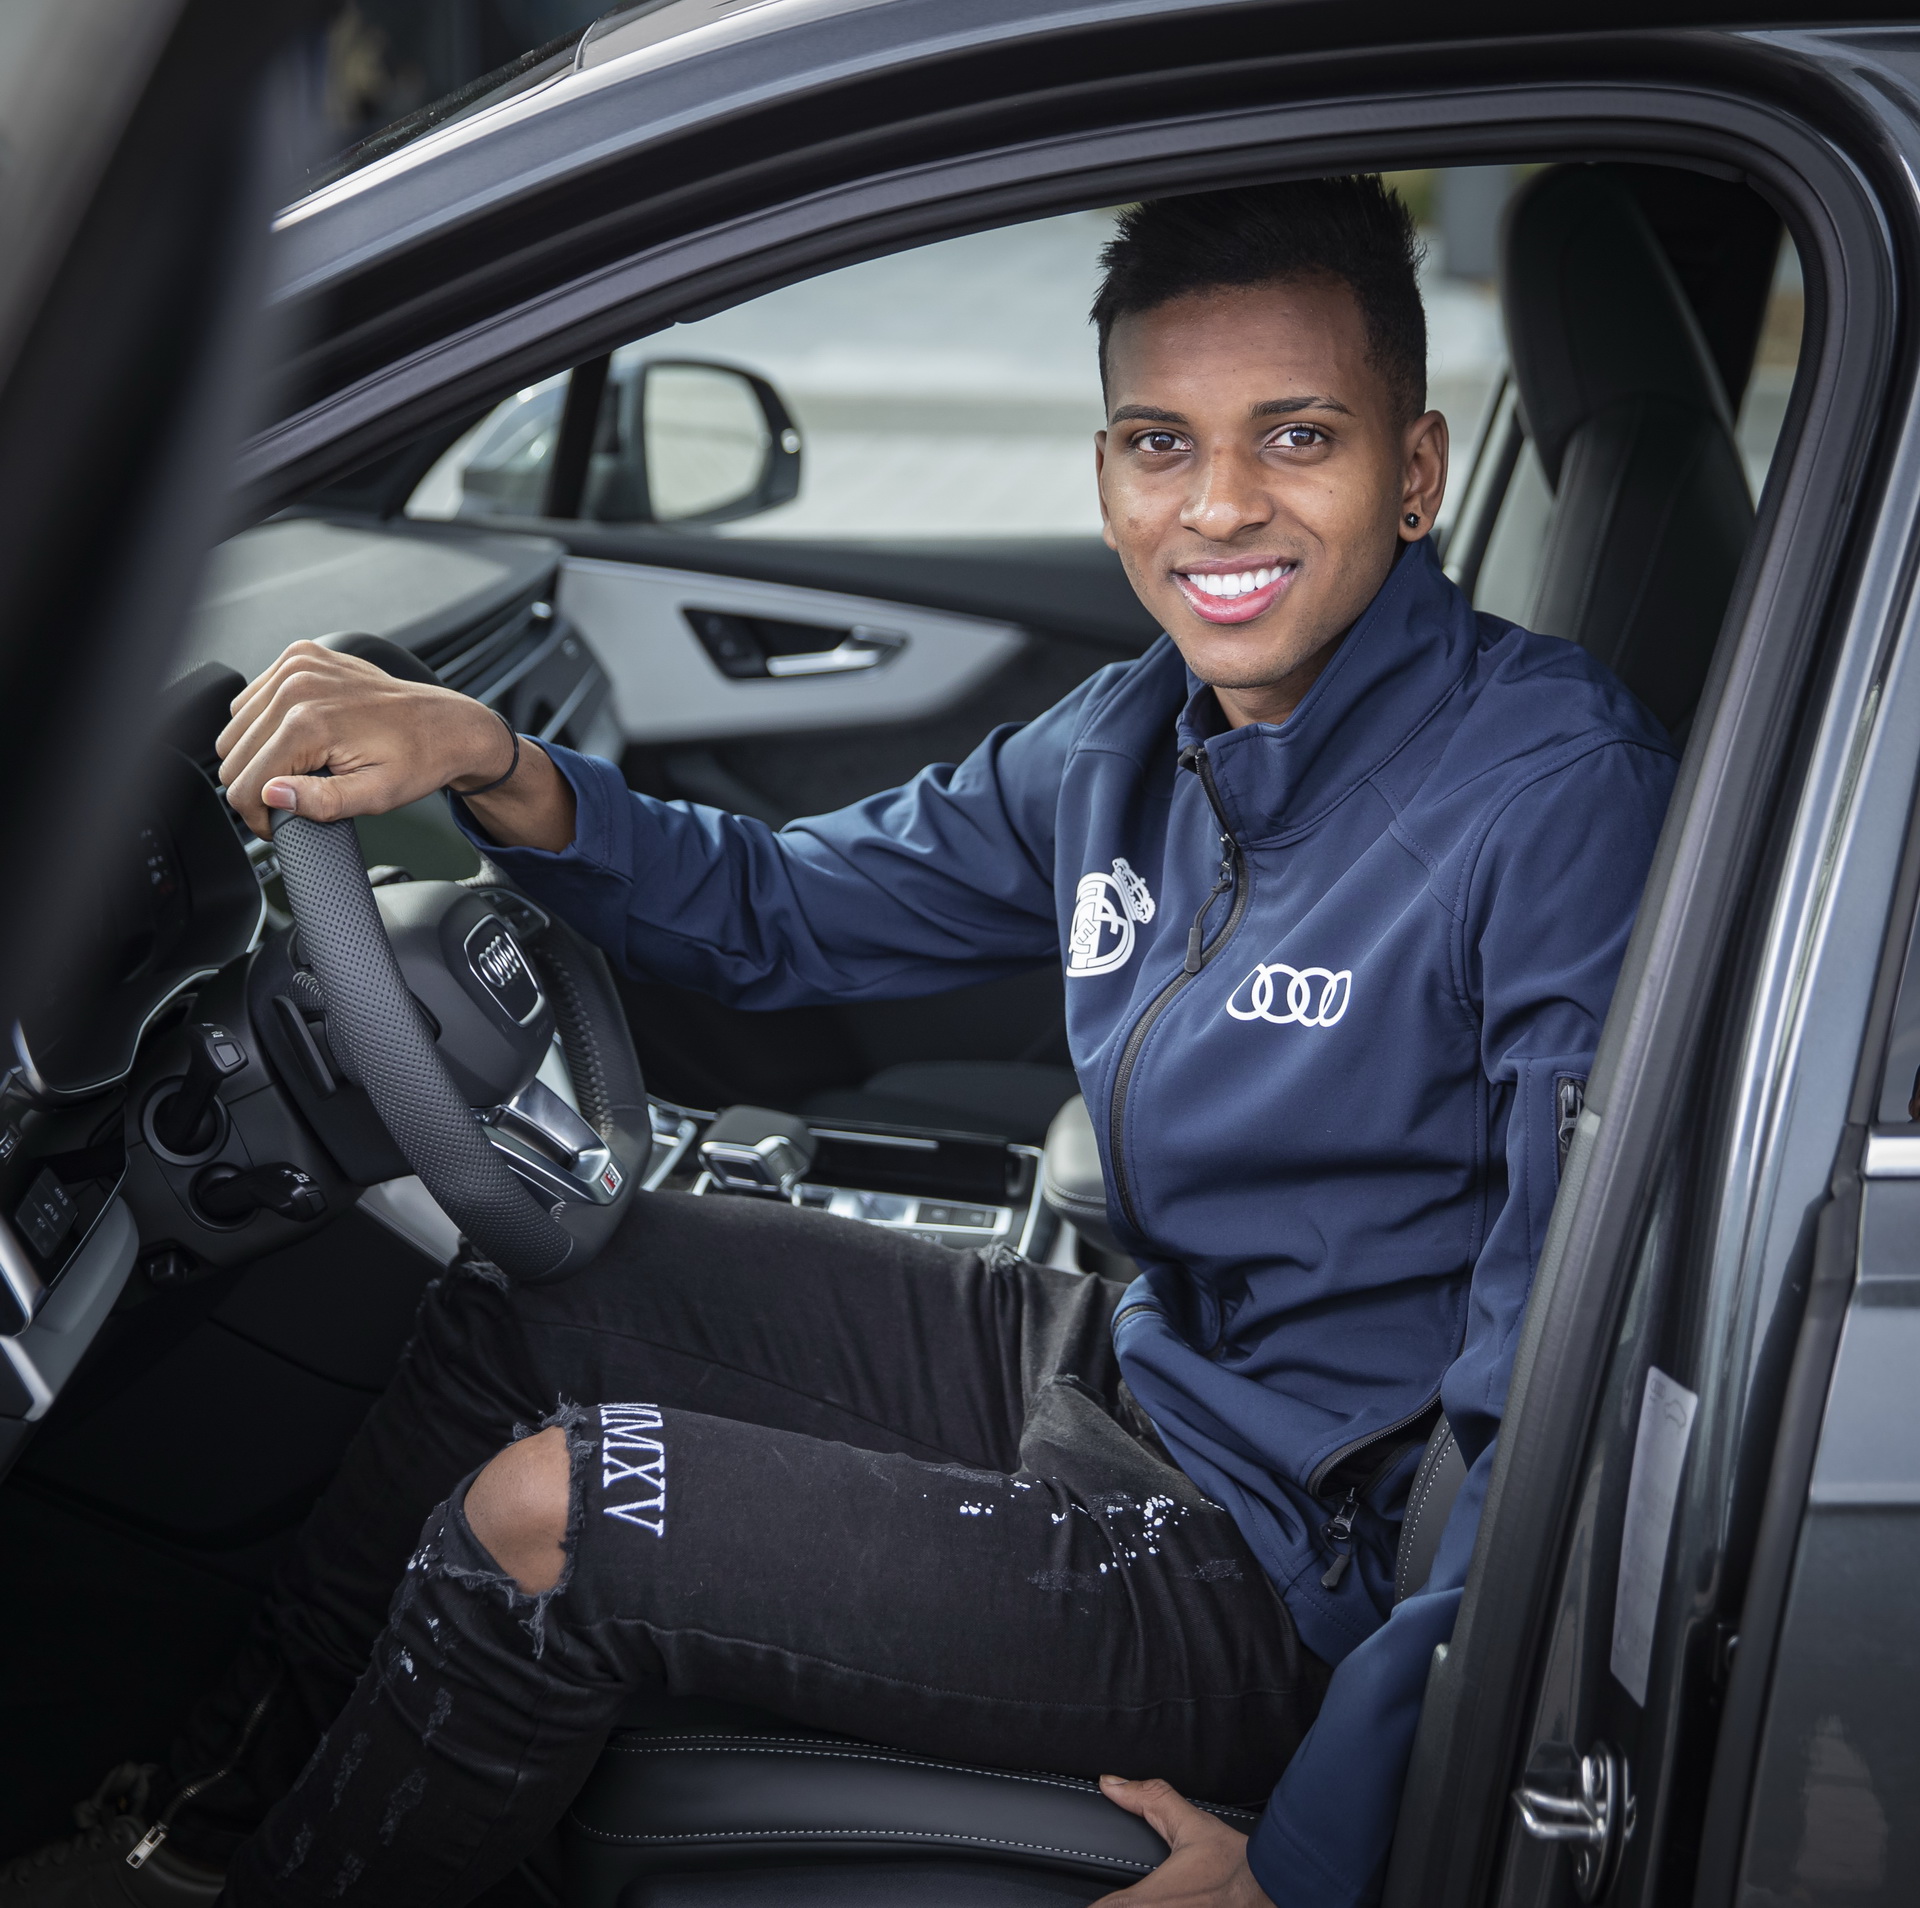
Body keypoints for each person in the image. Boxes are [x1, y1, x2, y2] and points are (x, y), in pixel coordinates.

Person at [5, 176, 1676, 1908]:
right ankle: (203, 1836)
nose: (1219, 504)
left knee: (551, 1524)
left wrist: (1318, 1859)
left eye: (1298, 436)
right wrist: (497, 762)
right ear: (1107, 471)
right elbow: (787, 908)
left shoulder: (1552, 800)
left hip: (1291, 1569)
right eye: (1158, 444)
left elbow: (1551, 1394)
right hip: (1149, 1370)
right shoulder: (1133, 739)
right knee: (542, 1295)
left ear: (1417, 470)